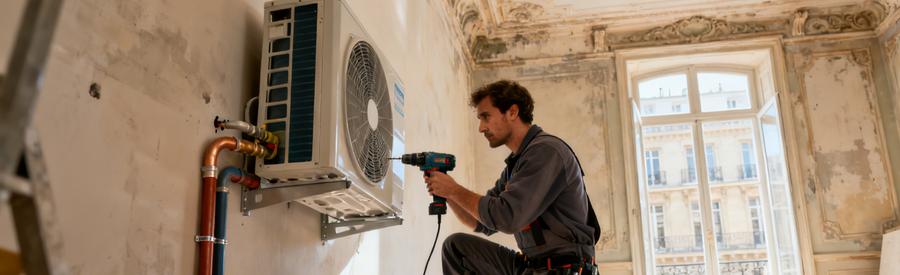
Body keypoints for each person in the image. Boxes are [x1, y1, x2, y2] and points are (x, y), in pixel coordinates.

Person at [425, 80, 600, 275]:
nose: (481, 128)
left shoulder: (546, 152)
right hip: (531, 266)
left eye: (486, 117)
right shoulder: (515, 165)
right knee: (457, 249)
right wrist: (447, 193)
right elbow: (482, 222)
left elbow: (507, 218)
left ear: (513, 112)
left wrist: (454, 190)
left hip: (563, 267)